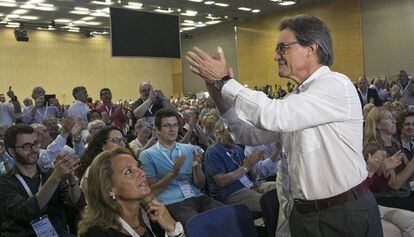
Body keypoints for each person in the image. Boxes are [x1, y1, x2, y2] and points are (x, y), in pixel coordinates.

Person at [186, 14, 382, 236]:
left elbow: (271, 114)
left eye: (282, 48)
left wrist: (224, 82)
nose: (275, 57)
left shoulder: (336, 85)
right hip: (305, 216)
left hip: (343, 214)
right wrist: (219, 94)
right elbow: (248, 134)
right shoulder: (296, 99)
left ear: (311, 48)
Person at [139, 108, 223, 225]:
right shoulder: (147, 155)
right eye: (167, 126)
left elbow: (200, 185)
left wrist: (196, 167)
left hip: (197, 196)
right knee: (199, 225)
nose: (172, 130)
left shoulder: (189, 148)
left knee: (228, 215)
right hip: (172, 202)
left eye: (175, 125)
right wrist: (173, 174)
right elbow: (152, 191)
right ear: (158, 130)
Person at [78, 147, 184, 237]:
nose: (142, 173)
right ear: (110, 189)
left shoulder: (154, 213)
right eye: (128, 172)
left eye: (138, 166)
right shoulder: (96, 233)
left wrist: (173, 228)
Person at [0, 124, 85, 236]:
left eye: (35, 144)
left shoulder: (49, 174)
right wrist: (55, 177)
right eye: (26, 146)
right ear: (11, 151)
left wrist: (72, 182)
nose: (33, 150)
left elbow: (76, 204)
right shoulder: (5, 182)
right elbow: (27, 210)